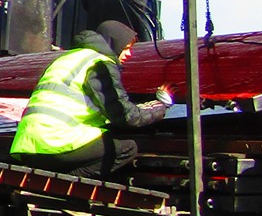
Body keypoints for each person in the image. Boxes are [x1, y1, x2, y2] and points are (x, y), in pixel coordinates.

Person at [10, 19, 172, 177]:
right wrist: (160, 105)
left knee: (104, 134)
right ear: (114, 43)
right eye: (126, 48)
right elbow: (125, 116)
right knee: (127, 148)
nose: (129, 54)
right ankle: (67, 183)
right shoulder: (99, 64)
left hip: (27, 146)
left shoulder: (68, 58)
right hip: (55, 143)